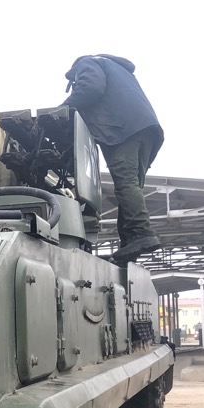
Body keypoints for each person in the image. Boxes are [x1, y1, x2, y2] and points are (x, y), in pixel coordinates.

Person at [62, 55, 164, 263]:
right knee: (131, 185)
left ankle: (141, 233)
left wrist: (63, 108)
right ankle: (130, 241)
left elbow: (91, 88)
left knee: (126, 183)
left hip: (121, 129)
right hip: (146, 130)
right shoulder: (119, 70)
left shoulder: (88, 63)